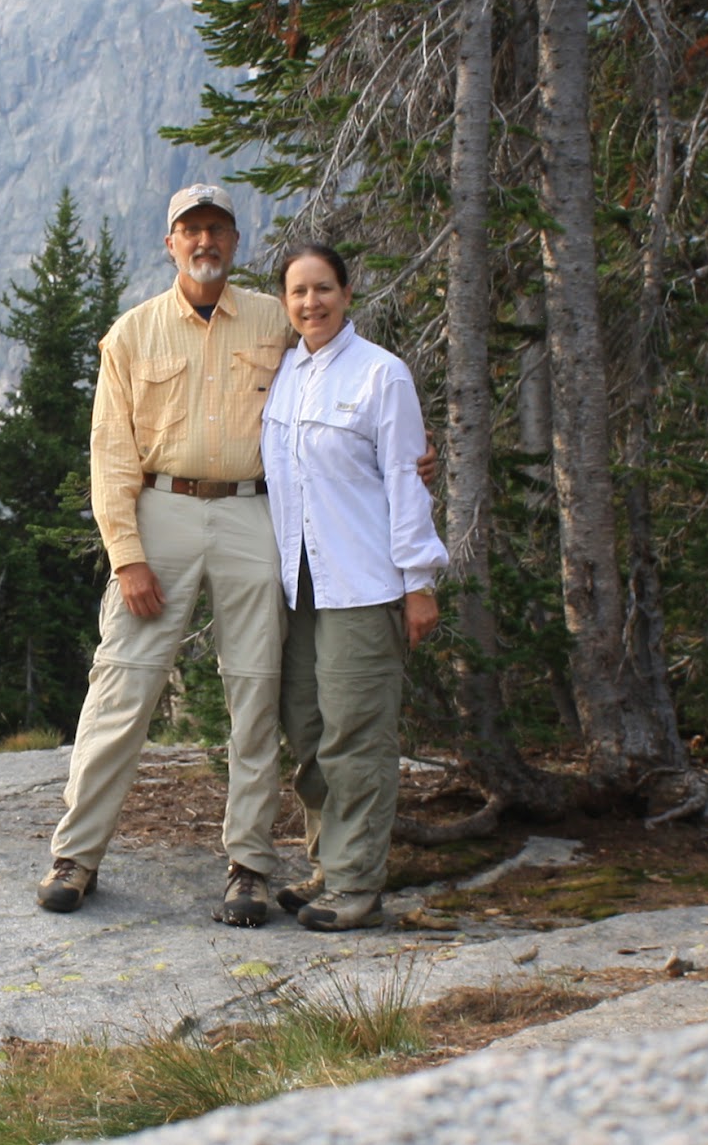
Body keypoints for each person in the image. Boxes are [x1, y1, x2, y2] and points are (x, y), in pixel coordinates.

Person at [36, 182, 293, 926]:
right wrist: (127, 555)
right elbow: (110, 453)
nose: (205, 241)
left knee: (256, 688)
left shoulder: (275, 321)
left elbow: (338, 392)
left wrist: (405, 452)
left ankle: (250, 865)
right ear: (171, 242)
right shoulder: (133, 334)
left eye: (217, 228)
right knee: (122, 685)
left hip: (255, 511)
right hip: (162, 513)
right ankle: (76, 855)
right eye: (191, 230)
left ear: (235, 241)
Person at [262, 242, 448, 932]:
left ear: (347, 291)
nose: (310, 302)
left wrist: (419, 581)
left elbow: (405, 478)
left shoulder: (382, 376)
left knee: (357, 735)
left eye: (322, 289)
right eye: (298, 292)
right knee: (308, 731)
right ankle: (328, 863)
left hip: (363, 583)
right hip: (298, 584)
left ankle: (359, 884)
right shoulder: (284, 376)